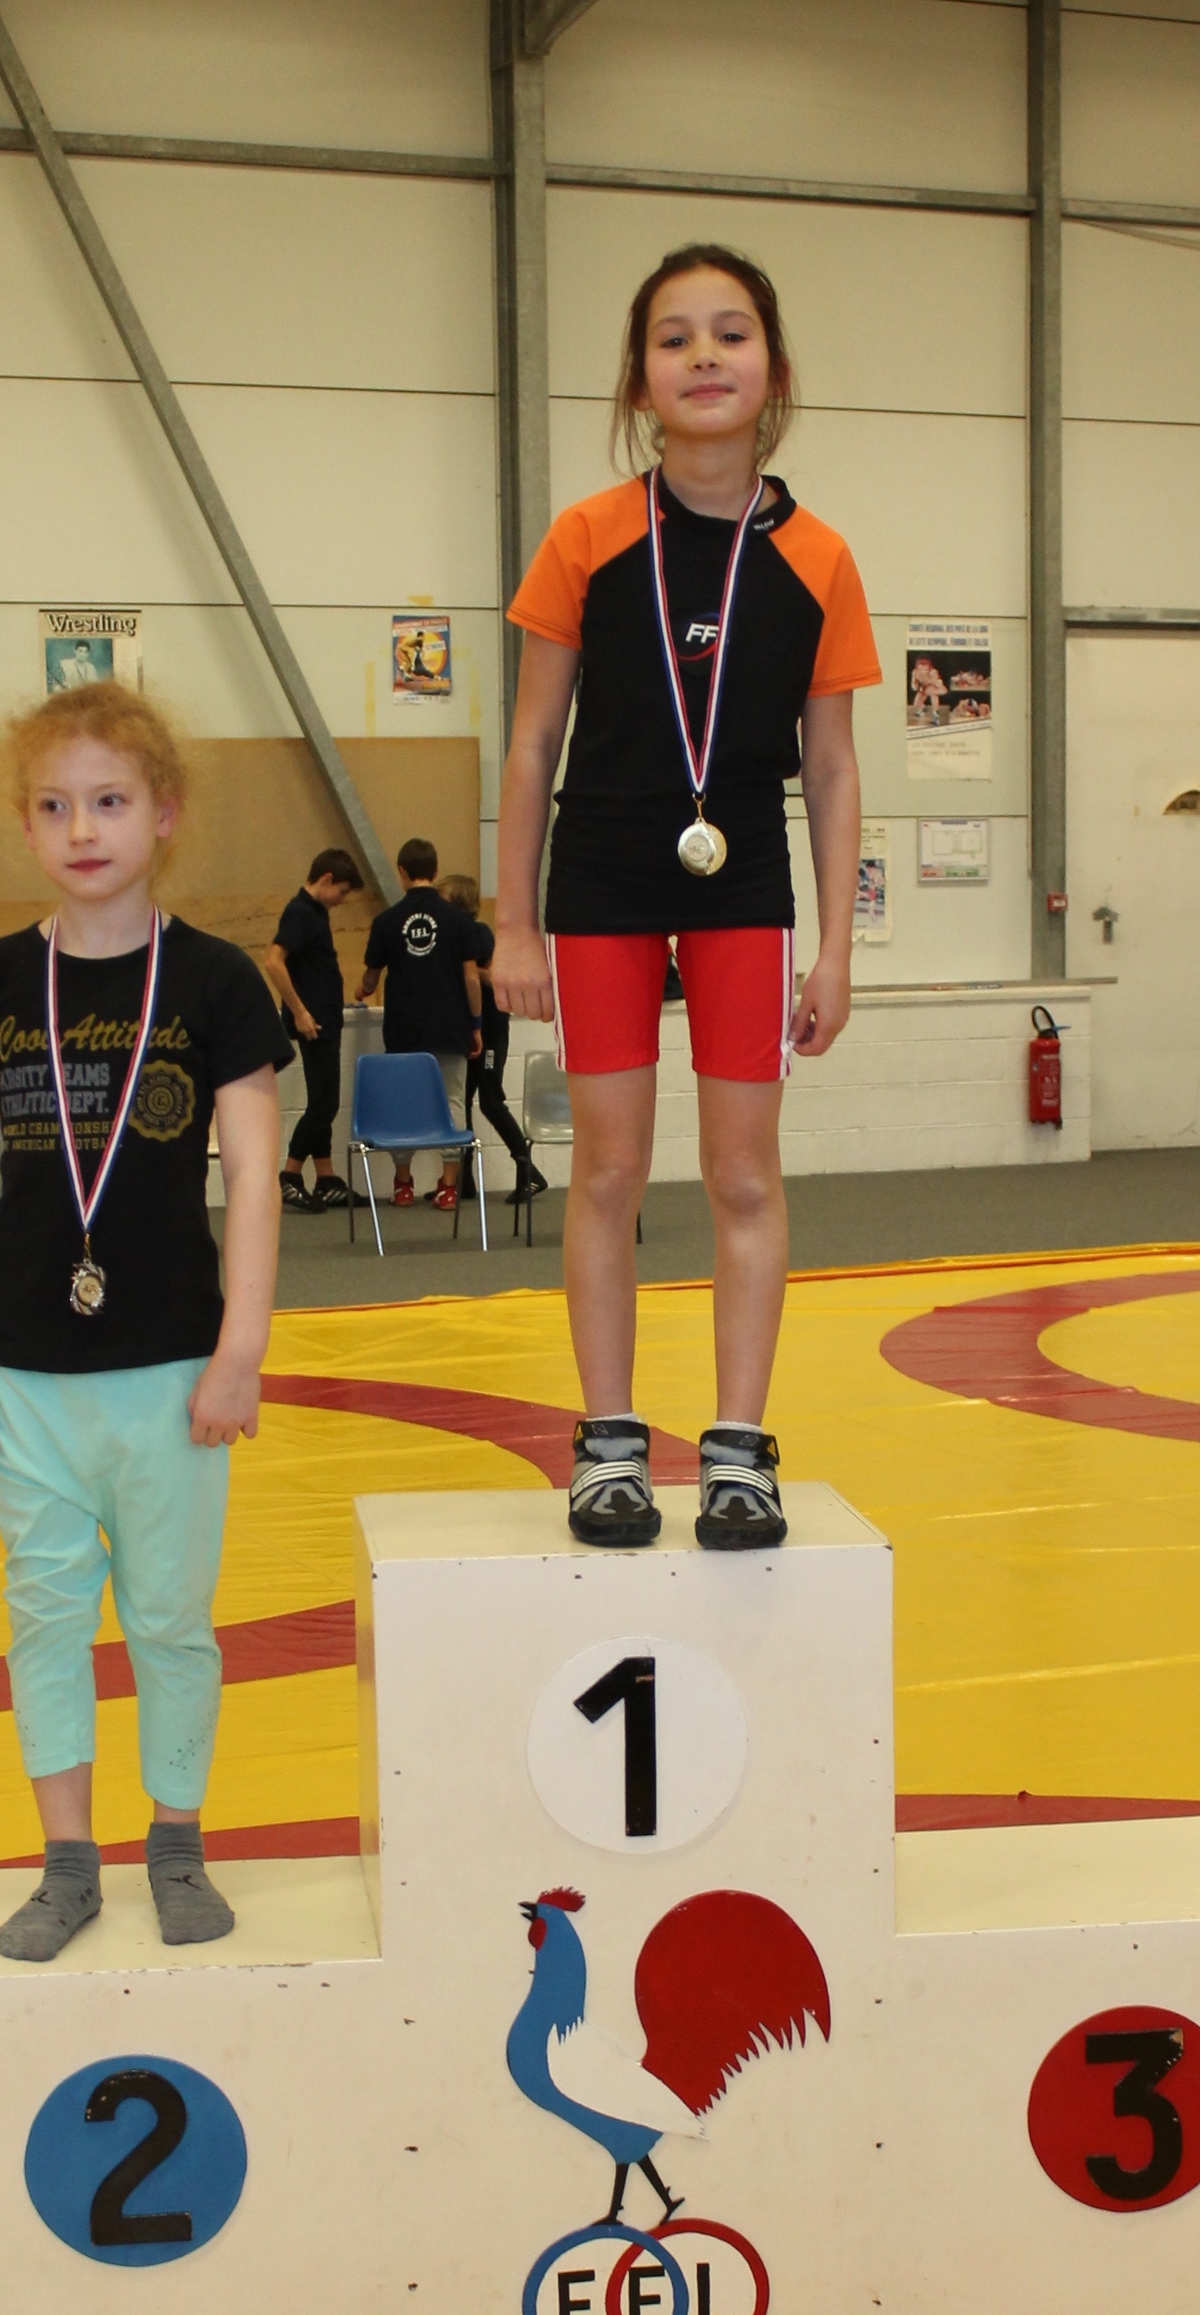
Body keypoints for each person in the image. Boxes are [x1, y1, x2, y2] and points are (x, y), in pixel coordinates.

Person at [491, 242, 879, 1552]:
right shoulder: (587, 537)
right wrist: (512, 922)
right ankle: (608, 1442)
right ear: (638, 379)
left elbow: (833, 764)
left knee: (742, 1176)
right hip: (600, 877)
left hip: (743, 883)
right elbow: (531, 745)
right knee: (605, 1169)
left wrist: (834, 950)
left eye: (729, 333)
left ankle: (736, 1451)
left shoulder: (818, 556)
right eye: (673, 338)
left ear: (773, 367)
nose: (703, 356)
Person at [0, 680, 290, 1963]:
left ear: (164, 813)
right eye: (53, 805)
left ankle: (175, 1841)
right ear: (25, 823)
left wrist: (241, 1347)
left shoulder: (216, 980)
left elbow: (255, 1176)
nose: (82, 829)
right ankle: (66, 1860)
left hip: (174, 1366)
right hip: (25, 1366)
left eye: (110, 801)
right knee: (44, 1614)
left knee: (172, 1618)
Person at [355, 838, 484, 1210]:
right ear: (435, 869)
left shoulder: (386, 921)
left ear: (402, 872)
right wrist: (475, 1023)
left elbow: (370, 979)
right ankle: (448, 1186)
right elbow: (471, 978)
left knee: (404, 1104)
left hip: (404, 1027)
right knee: (453, 1101)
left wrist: (362, 990)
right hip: (451, 1024)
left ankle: (403, 1184)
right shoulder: (459, 921)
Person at [264, 845, 366, 1210]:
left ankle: (325, 1176)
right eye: (342, 891)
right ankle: (290, 1174)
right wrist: (300, 1012)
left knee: (322, 1100)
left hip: (324, 1018)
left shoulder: (315, 912)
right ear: (326, 879)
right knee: (325, 1104)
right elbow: (273, 962)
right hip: (314, 1022)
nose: (341, 900)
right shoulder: (301, 911)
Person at [439, 872, 546, 1208]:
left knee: (490, 1099)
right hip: (471, 1030)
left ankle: (528, 1169)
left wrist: (468, 973)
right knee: (463, 1099)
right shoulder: (454, 936)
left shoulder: (477, 933)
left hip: (492, 1029)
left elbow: (490, 975)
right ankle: (465, 1177)